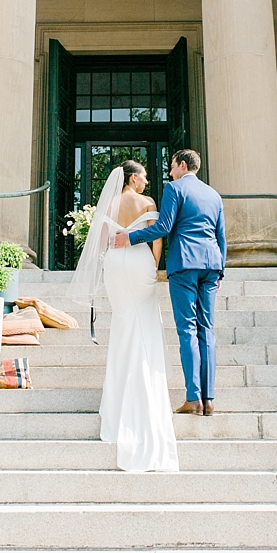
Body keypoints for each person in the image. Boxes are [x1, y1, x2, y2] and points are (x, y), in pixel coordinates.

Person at [69, 161, 179, 473]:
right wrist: (153, 265)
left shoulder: (110, 202)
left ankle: (117, 400)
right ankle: (144, 388)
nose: (147, 181)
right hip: (140, 261)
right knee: (143, 323)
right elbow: (157, 238)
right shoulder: (147, 202)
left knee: (122, 323)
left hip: (115, 264)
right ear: (133, 177)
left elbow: (103, 241)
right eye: (144, 176)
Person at [115, 148, 226, 417]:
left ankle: (193, 398)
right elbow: (221, 236)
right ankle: (208, 399)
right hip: (211, 264)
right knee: (207, 330)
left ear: (183, 165)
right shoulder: (214, 194)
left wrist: (130, 238)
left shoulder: (174, 189)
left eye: (173, 166)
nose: (170, 171)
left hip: (184, 263)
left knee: (187, 330)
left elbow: (164, 227)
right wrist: (220, 270)